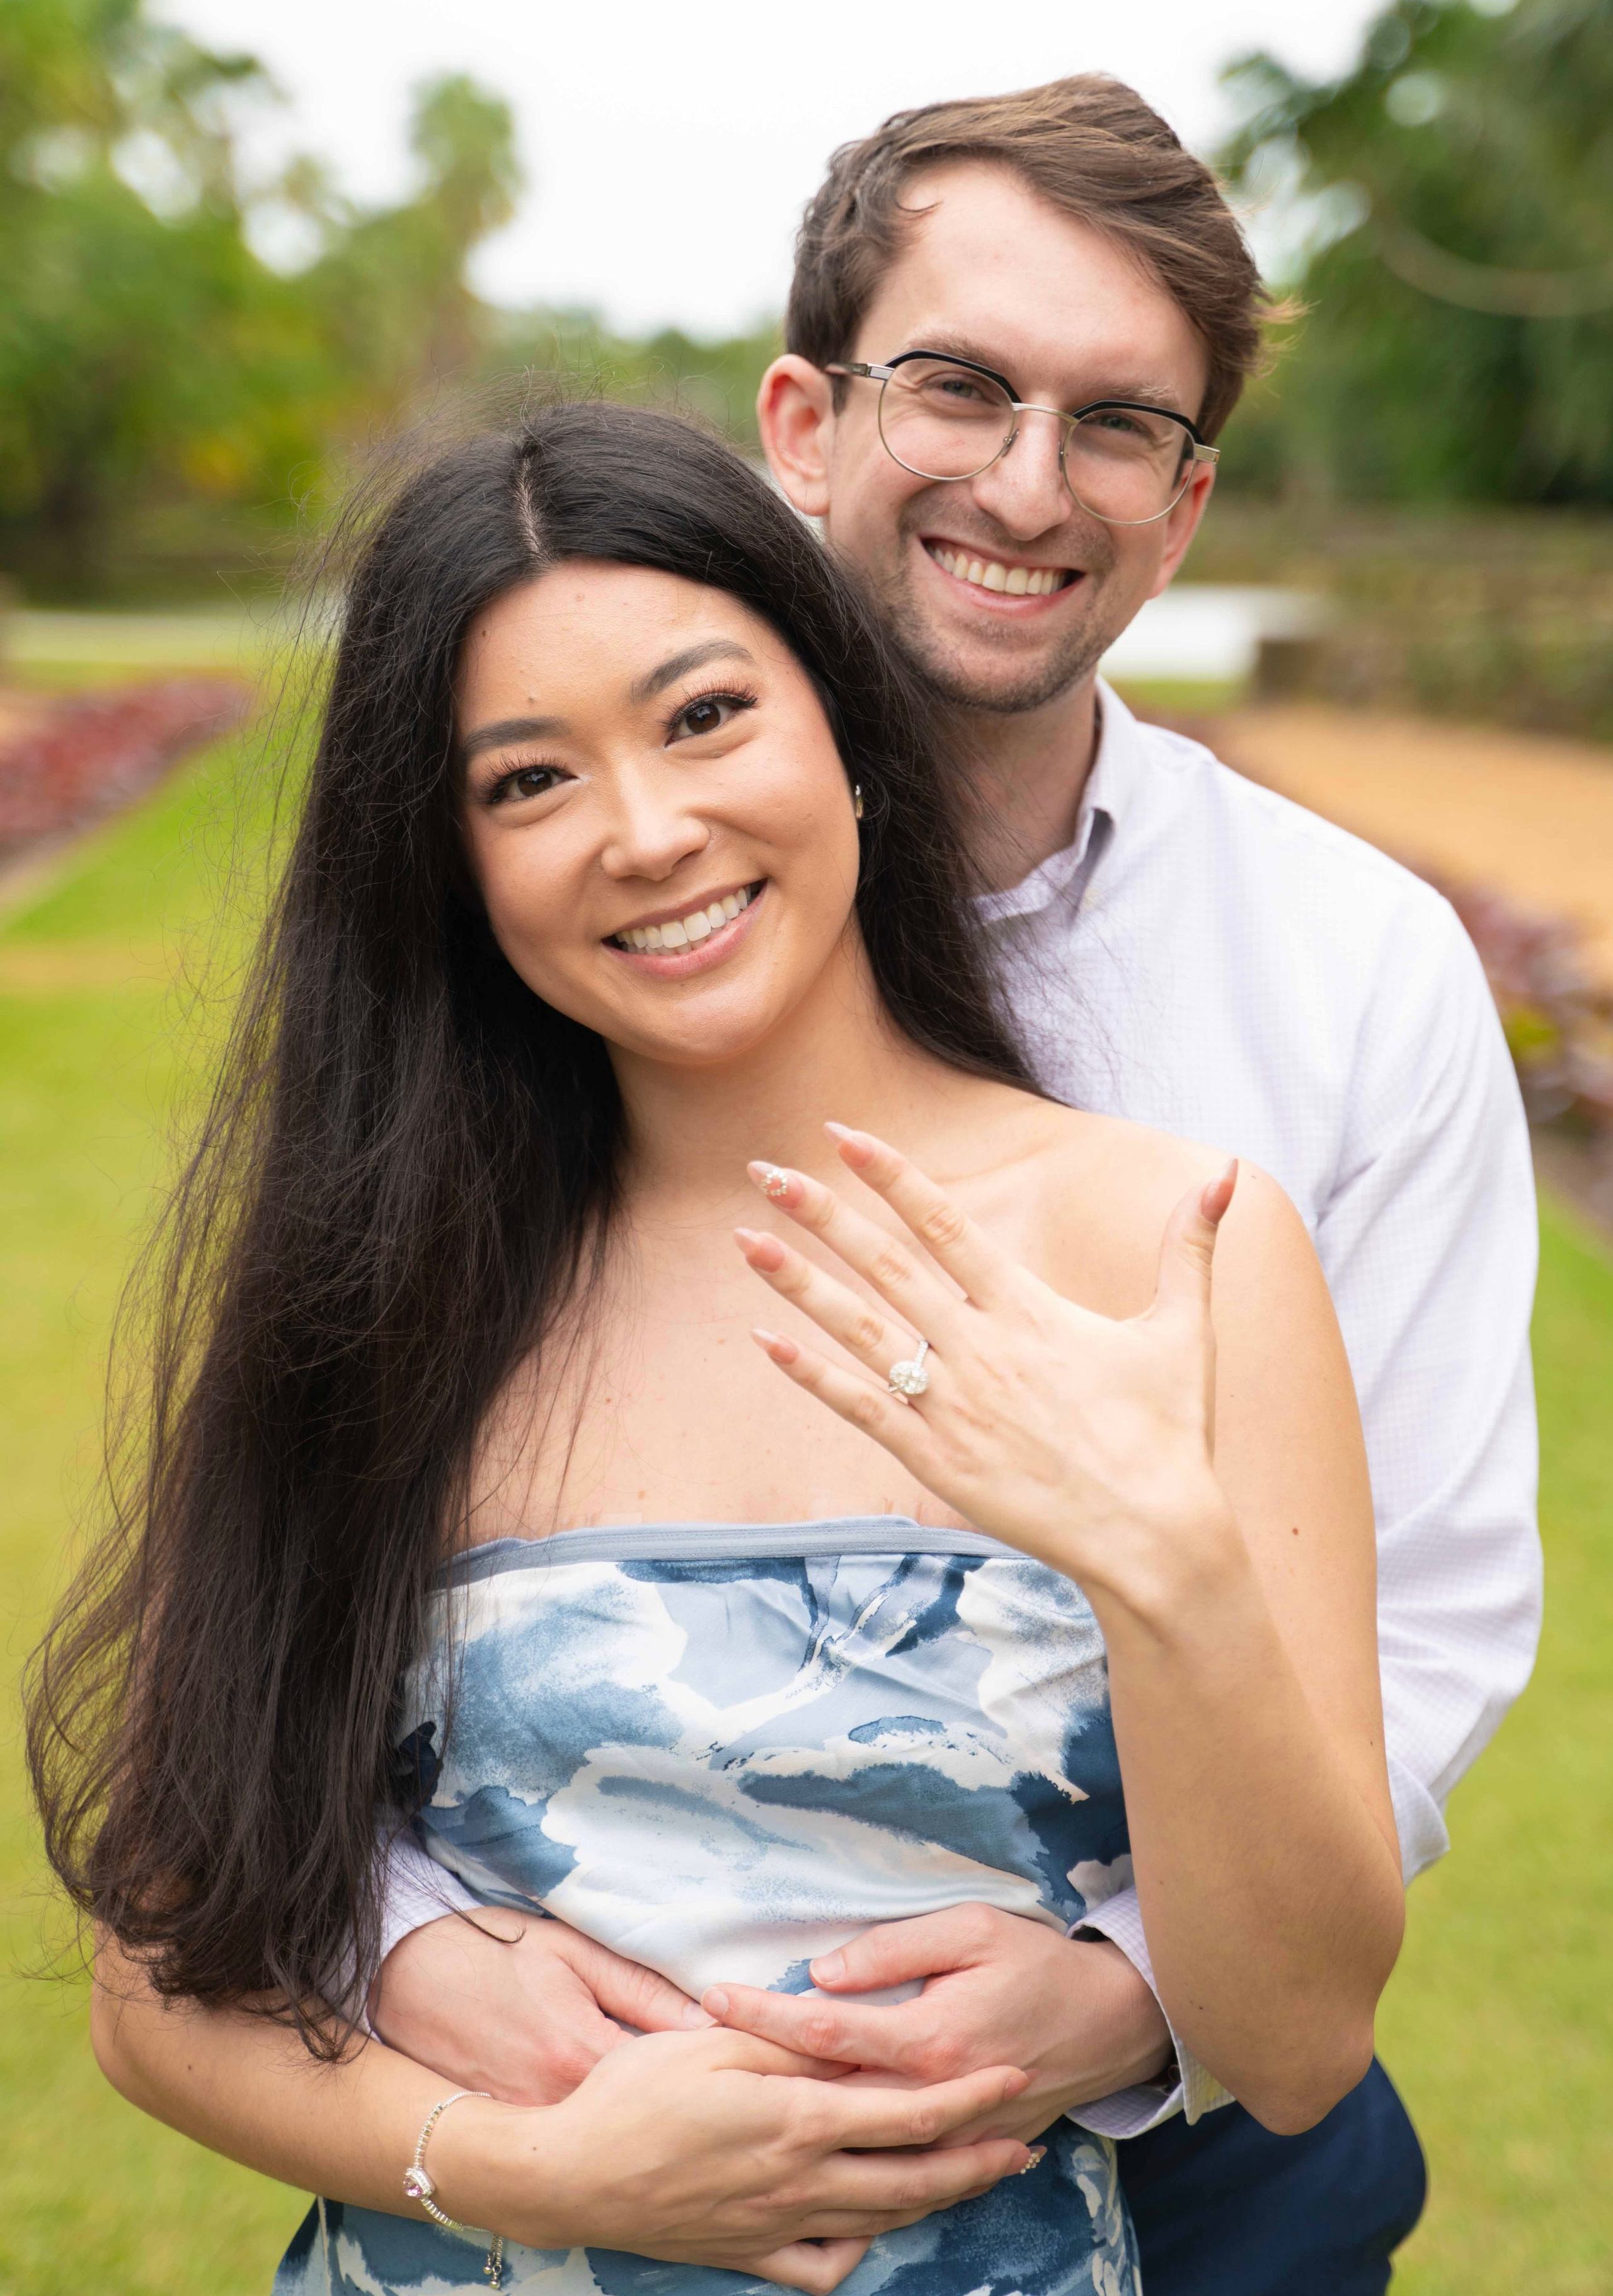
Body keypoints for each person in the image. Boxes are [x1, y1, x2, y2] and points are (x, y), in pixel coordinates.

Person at [362, 79, 1542, 2292]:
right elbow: (311, 1577)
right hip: (577, 2100)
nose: (1026, 481)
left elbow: (1430, 1617)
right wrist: (420, 1951)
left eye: (1117, 425)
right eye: (962, 387)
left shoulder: (1356, 974)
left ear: (1186, 512)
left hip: (1191, 2161)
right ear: (803, 421)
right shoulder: (557, 921)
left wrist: (1125, 1989)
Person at [36, 403, 1406, 2295]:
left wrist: (1161, 1557)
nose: (647, 830)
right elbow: (157, 1984)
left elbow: (1299, 2035)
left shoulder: (1181, 1251)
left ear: (845, 733)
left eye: (704, 718)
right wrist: (524, 2172)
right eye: (527, 783)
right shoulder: (383, 1288)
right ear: (454, 865)